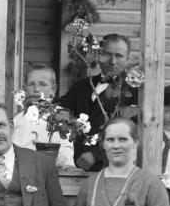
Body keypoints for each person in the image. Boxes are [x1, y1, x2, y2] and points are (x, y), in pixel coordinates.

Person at [57, 33, 139, 171]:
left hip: (112, 168)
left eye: (119, 56)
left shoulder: (134, 92)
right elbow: (59, 110)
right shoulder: (81, 86)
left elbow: (135, 134)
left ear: (127, 59)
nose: (112, 61)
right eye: (107, 54)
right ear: (99, 55)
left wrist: (97, 155)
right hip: (75, 167)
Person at [11, 65, 75, 169]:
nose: (36, 89)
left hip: (51, 172)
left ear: (53, 89)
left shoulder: (60, 115)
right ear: (25, 89)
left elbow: (65, 147)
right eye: (31, 84)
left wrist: (67, 165)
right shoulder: (17, 120)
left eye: (42, 84)